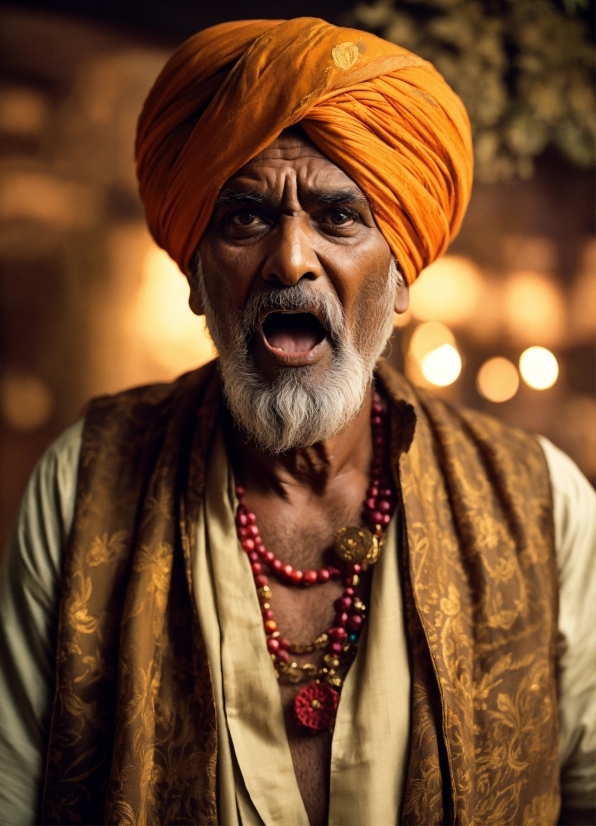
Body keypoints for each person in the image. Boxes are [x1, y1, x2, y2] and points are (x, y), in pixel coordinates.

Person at [0, 17, 594, 826]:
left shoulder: (542, 504)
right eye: (246, 218)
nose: (290, 260)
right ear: (197, 274)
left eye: (339, 217)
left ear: (403, 275)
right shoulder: (83, 481)